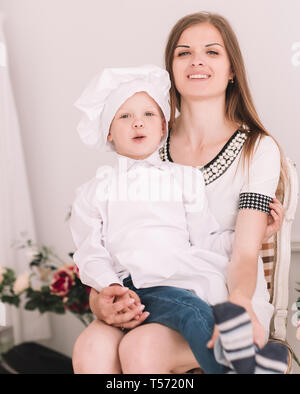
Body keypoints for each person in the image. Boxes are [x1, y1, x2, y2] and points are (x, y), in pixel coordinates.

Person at [72, 12, 287, 374]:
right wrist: (101, 299)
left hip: (223, 291)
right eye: (184, 53)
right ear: (170, 69)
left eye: (212, 52)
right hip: (145, 288)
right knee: (91, 349)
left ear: (232, 68)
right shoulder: (146, 136)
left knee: (142, 348)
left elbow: (244, 252)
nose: (197, 60)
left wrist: (238, 306)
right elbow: (113, 238)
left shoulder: (257, 148)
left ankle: (243, 358)